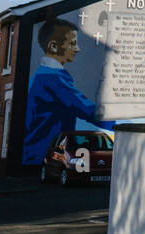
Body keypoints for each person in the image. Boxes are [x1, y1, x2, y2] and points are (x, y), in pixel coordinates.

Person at [22, 19, 102, 165]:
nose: (77, 49)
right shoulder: (52, 78)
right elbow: (90, 111)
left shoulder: (43, 74)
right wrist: (126, 125)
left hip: (38, 156)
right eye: (72, 43)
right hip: (41, 157)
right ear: (53, 46)